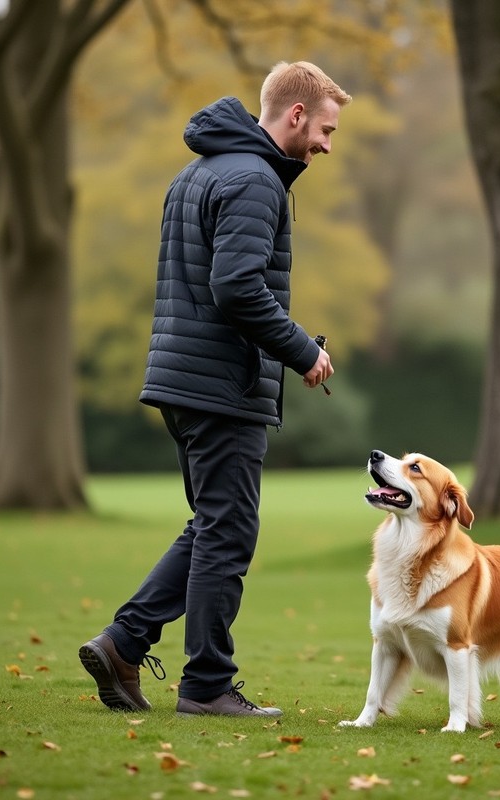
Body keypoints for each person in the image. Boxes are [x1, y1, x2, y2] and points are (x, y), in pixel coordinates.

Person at [79, 61, 351, 718]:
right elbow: (234, 289)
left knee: (211, 525)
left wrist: (291, 339)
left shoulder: (198, 172)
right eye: (325, 129)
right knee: (228, 532)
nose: (326, 145)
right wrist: (301, 352)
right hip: (221, 385)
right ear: (294, 115)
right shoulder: (256, 181)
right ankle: (205, 684)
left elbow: (212, 287)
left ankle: (124, 641)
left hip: (184, 378)